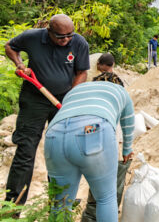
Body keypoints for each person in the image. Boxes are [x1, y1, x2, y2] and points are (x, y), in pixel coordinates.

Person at [3, 14, 89, 205]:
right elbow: (10, 46)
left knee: (61, 152)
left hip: (63, 102)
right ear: (49, 31)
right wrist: (19, 64)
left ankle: (59, 204)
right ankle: (11, 207)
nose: (66, 39)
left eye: (69, 35)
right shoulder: (32, 37)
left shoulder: (79, 43)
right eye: (60, 36)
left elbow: (82, 72)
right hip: (34, 100)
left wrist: (71, 98)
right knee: (25, 151)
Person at [44, 80, 134, 222]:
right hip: (93, 131)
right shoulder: (120, 91)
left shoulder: (76, 90)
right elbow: (128, 121)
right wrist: (127, 149)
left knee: (60, 203)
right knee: (106, 198)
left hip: (54, 135)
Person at [80, 53, 129, 222]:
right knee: (107, 189)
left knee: (101, 183)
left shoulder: (93, 100)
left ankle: (91, 216)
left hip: (99, 140)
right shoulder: (90, 71)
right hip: (104, 142)